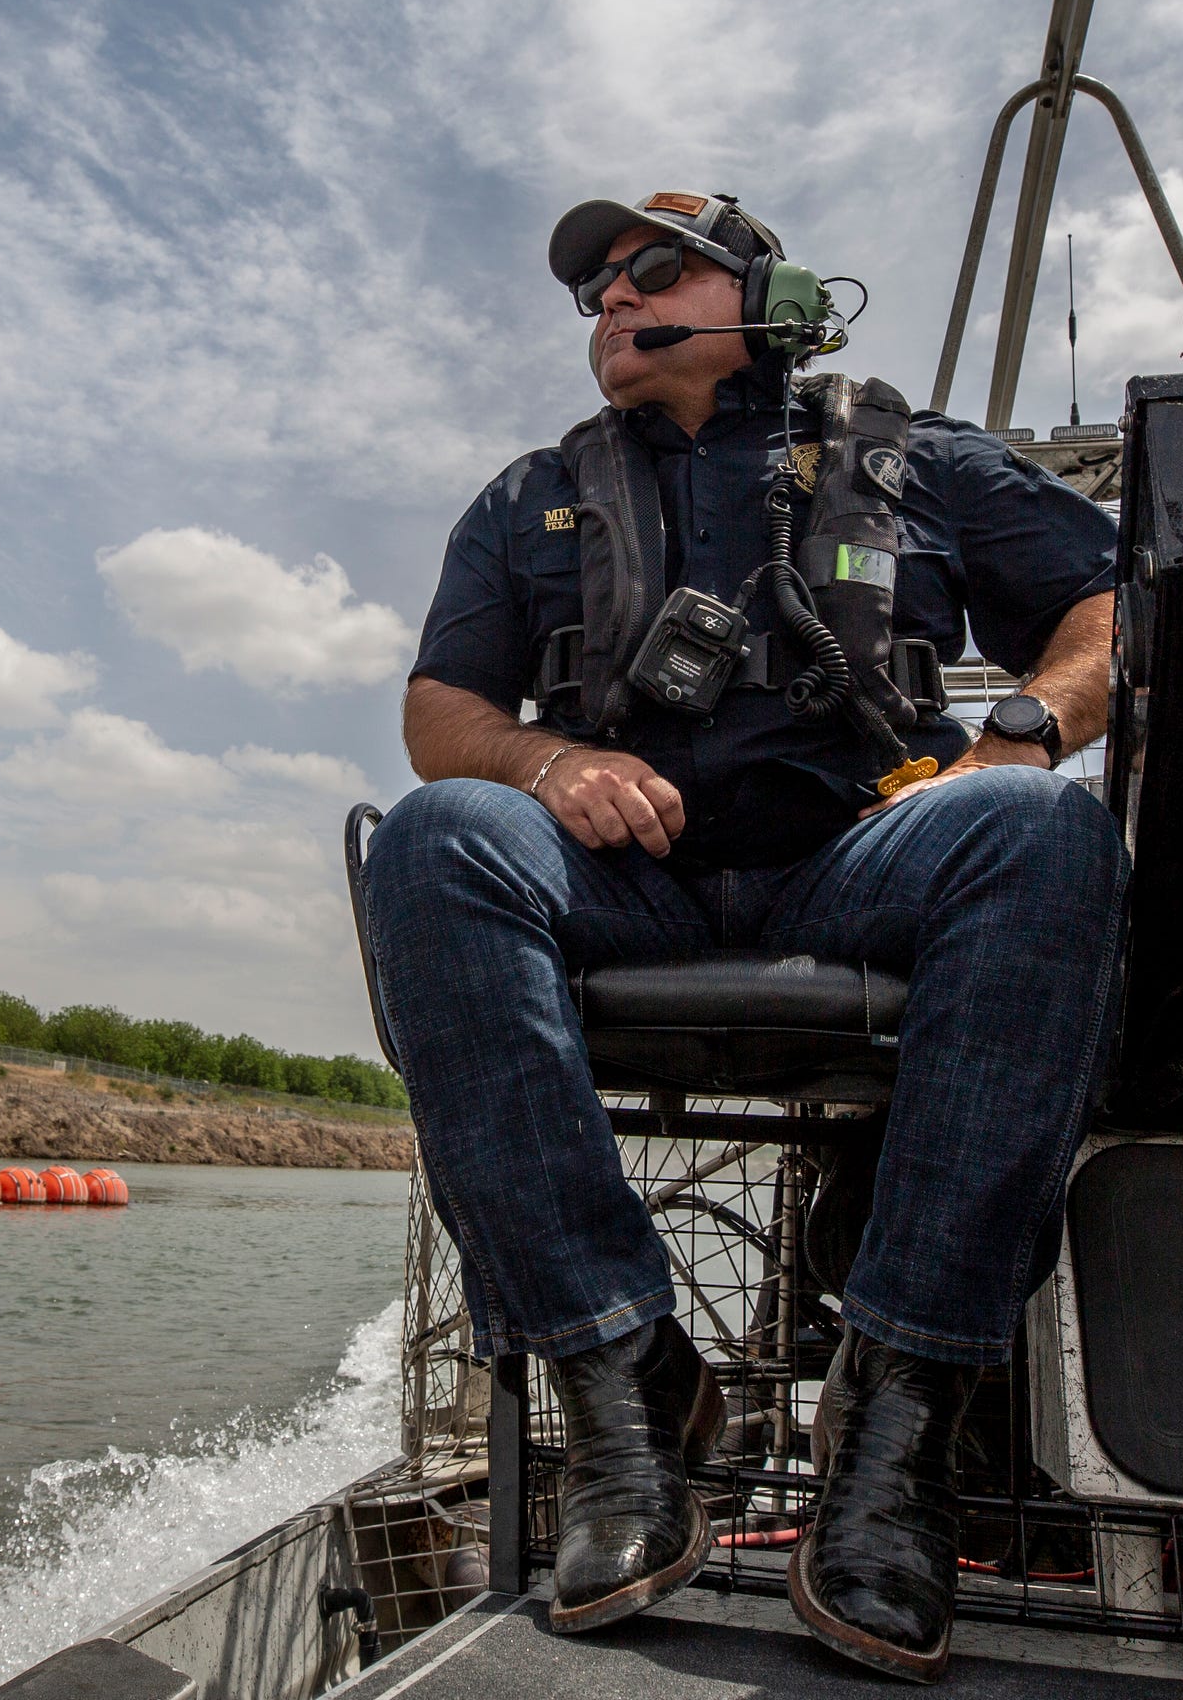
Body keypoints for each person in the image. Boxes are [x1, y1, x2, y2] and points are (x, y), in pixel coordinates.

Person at [359, 191, 1125, 1681]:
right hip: (622, 875)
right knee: (436, 836)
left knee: (1044, 828)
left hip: (854, 858)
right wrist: (544, 766)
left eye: (651, 270)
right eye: (591, 291)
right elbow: (438, 716)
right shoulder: (526, 498)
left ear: (762, 291)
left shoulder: (927, 461)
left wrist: (1028, 728)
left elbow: (1112, 602)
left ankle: (896, 1426)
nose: (611, 304)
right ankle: (627, 1381)